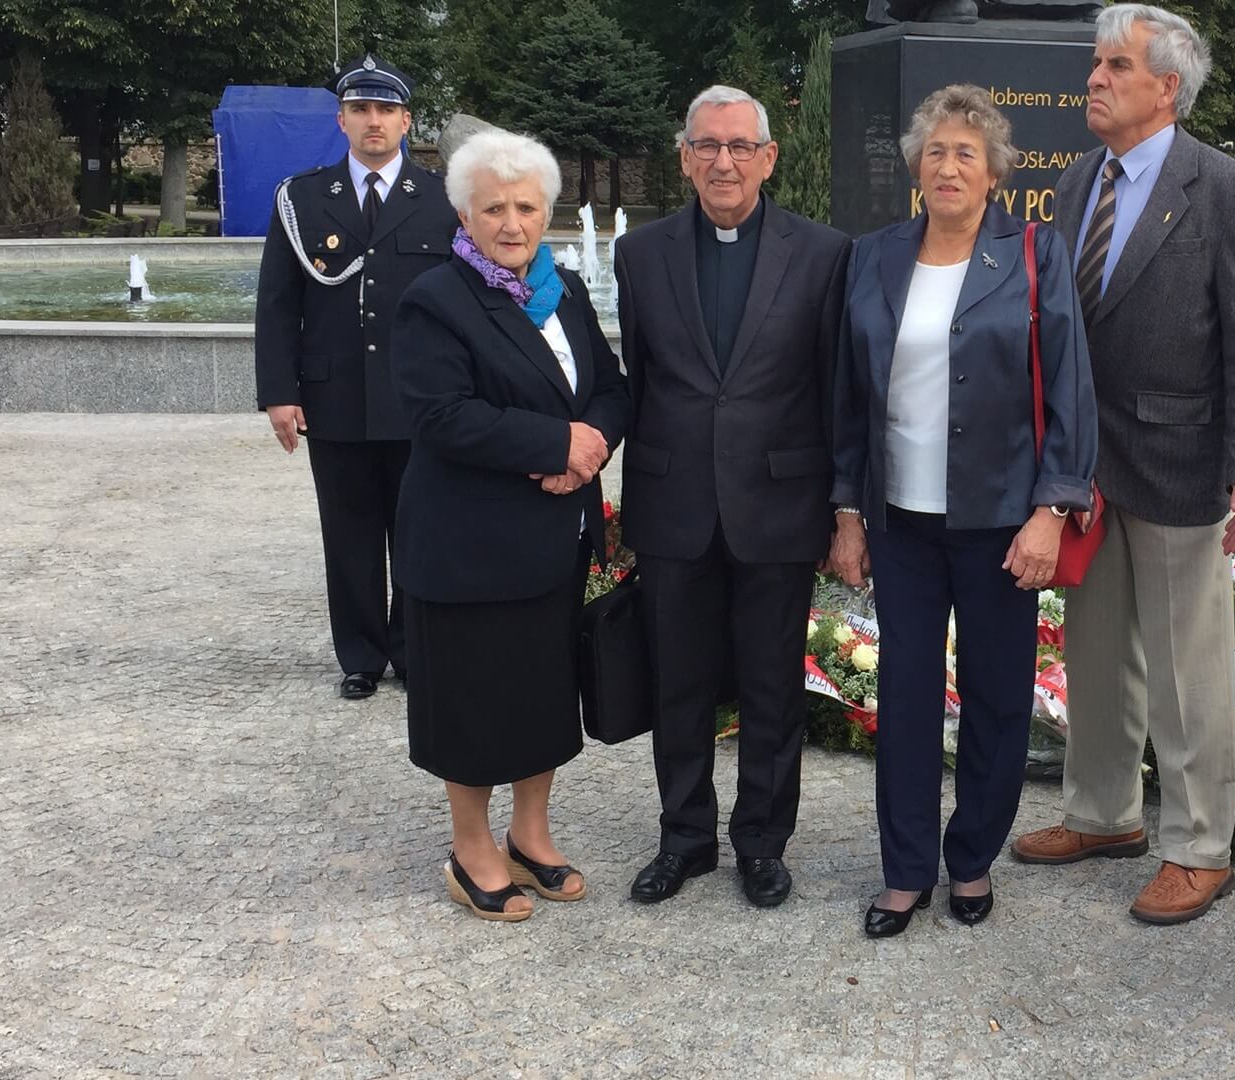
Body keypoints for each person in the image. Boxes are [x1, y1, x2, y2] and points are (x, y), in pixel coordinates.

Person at [1008, 3, 1235, 927]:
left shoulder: (1225, 189)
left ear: (1167, 86)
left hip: (1180, 459)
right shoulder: (1079, 178)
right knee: (1095, 652)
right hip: (1087, 467)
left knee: (1185, 666)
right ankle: (1103, 814)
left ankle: (1202, 846)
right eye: (1096, 63)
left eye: (1115, 66)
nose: (1094, 78)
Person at [829, 84, 1097, 938]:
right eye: (937, 152)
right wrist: (846, 511)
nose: (949, 167)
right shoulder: (872, 256)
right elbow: (847, 395)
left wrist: (1052, 510)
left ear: (994, 173)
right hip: (900, 520)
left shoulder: (1034, 253)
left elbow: (1070, 387)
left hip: (1001, 522)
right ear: (917, 167)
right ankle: (906, 869)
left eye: (967, 154)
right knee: (905, 697)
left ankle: (973, 857)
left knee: (997, 698)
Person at [612, 86, 851, 909]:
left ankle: (761, 842)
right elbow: (637, 381)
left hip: (778, 504)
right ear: (684, 157)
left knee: (771, 686)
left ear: (768, 157)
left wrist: (844, 510)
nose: (724, 161)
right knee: (676, 683)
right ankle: (684, 838)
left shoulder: (823, 253)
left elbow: (836, 389)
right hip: (673, 501)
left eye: (740, 146)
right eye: (707, 146)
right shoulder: (639, 254)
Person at [387, 128, 631, 921]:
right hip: (468, 544)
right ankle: (471, 849)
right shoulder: (436, 300)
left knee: (542, 693)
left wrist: (588, 449)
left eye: (527, 207)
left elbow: (610, 388)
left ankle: (530, 834)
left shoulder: (564, 289)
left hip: (554, 535)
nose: (512, 222)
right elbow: (440, 414)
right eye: (493, 208)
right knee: (472, 697)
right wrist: (555, 445)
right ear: (464, 215)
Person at [255, 54, 458, 700]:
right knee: (348, 536)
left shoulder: (443, 199)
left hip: (418, 400)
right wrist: (279, 393)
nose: (374, 121)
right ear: (341, 120)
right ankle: (361, 656)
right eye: (360, 109)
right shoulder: (303, 199)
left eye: (386, 110)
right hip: (334, 395)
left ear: (407, 121)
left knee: (419, 530)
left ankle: (414, 651)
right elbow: (278, 302)